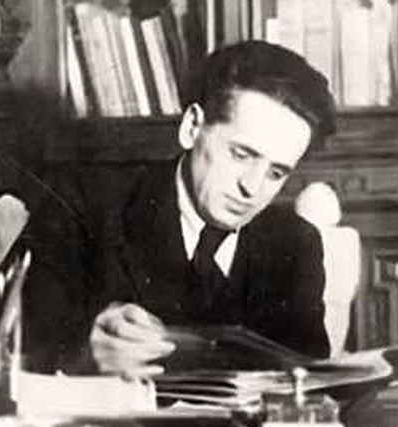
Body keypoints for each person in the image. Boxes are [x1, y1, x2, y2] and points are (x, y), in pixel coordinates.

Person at [21, 41, 337, 375]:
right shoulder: (82, 205)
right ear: (192, 128)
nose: (252, 188)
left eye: (276, 173)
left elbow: (309, 381)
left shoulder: (295, 244)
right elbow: (19, 352)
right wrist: (85, 355)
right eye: (241, 155)